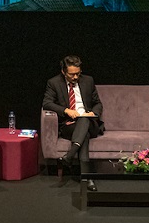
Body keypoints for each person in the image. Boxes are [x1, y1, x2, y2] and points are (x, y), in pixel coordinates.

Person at [42, 55, 104, 192]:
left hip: (89, 121)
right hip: (69, 124)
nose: (75, 77)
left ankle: (69, 156)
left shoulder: (88, 81)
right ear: (63, 72)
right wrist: (66, 110)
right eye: (72, 74)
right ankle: (87, 178)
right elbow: (47, 103)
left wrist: (92, 113)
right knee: (84, 136)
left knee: (84, 120)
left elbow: (97, 103)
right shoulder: (54, 83)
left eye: (78, 73)